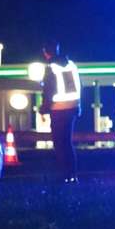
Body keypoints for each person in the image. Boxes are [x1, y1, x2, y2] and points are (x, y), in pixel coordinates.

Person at [39, 41, 81, 182]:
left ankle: (64, 174)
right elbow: (80, 85)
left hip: (58, 109)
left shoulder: (51, 67)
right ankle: (73, 174)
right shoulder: (71, 65)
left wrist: (43, 109)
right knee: (67, 142)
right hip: (73, 108)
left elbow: (48, 90)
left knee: (59, 143)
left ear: (46, 52)